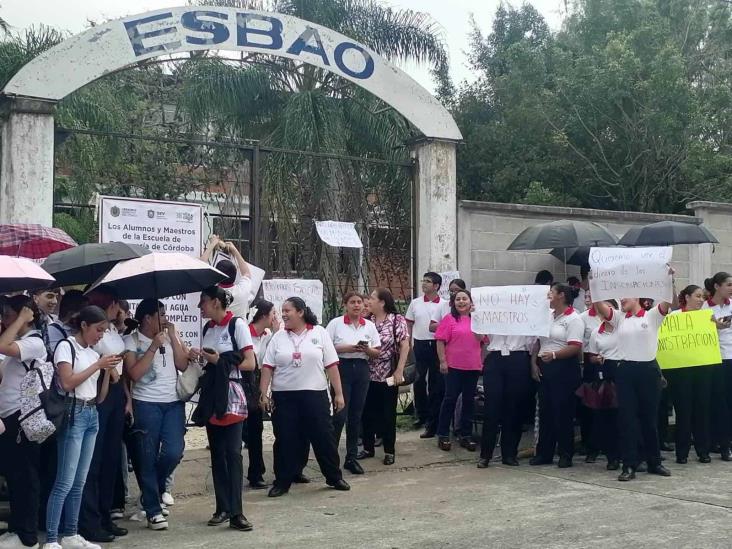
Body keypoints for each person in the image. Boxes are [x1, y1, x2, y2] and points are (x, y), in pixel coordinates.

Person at [44, 306, 121, 549]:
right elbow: (67, 382)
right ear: (84, 325)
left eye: (105, 331)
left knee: (80, 481)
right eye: (98, 330)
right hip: (73, 412)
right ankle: (51, 538)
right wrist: (98, 366)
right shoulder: (67, 347)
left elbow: (99, 397)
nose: (100, 335)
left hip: (91, 413)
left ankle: (71, 533)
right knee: (64, 481)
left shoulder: (91, 352)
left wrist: (107, 372)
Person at [260, 297, 350, 498]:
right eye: (281, 310)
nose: (283, 314)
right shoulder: (278, 337)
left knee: (323, 436)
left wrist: (339, 393)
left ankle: (333, 476)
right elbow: (267, 367)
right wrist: (263, 393)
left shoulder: (320, 333)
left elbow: (332, 365)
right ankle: (282, 481)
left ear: (300, 312)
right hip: (284, 396)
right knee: (285, 438)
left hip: (314, 394)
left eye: (287, 310)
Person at [594, 283, 675, 481]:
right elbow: (600, 307)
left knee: (649, 419)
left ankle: (654, 461)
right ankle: (629, 464)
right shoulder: (620, 318)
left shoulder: (652, 315)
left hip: (648, 370)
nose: (622, 300)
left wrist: (670, 279)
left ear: (637, 297)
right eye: (620, 297)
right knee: (627, 419)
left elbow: (669, 300)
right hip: (626, 370)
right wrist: (595, 284)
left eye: (625, 296)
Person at [191, 286, 255, 532]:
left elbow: (250, 363)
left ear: (217, 302)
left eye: (203, 302)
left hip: (232, 395)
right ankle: (222, 507)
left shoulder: (236, 325)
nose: (201, 307)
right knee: (217, 454)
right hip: (212, 396)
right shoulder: (208, 328)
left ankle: (237, 511)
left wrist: (221, 360)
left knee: (233, 454)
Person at [123, 300, 189, 531]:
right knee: (146, 457)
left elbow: (181, 365)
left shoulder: (169, 336)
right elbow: (134, 374)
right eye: (161, 314)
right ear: (147, 318)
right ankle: (153, 509)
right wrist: (152, 347)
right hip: (146, 404)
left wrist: (173, 336)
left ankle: (153, 491)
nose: (165, 318)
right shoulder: (131, 341)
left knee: (174, 451)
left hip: (172, 403)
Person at [79, 289, 127, 544]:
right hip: (100, 389)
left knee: (111, 458)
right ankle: (91, 519)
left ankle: (106, 514)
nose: (117, 308)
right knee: (94, 462)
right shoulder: (97, 334)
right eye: (114, 304)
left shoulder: (112, 330)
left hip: (116, 391)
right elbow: (102, 355)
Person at [0, 297, 47, 549]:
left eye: (8, 315)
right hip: (9, 417)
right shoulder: (18, 343)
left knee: (26, 476)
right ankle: (16, 529)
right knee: (14, 475)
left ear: (25, 315)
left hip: (24, 417)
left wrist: (20, 318)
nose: (4, 320)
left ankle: (27, 537)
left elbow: (1, 345)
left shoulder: (34, 342)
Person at [326, 292, 381, 474]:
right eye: (352, 302)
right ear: (345, 305)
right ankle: (330, 457)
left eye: (360, 303)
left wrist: (367, 349)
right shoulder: (336, 324)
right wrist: (348, 348)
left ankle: (351, 457)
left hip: (362, 368)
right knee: (340, 414)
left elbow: (377, 352)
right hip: (342, 368)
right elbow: (327, 348)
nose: (357, 306)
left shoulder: (369, 326)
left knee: (356, 415)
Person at [530, 283, 583, 468]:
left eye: (551, 293)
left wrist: (554, 355)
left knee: (563, 412)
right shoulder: (548, 316)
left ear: (561, 295)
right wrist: (533, 364)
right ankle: (544, 452)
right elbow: (538, 342)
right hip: (545, 365)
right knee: (546, 412)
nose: (548, 296)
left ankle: (565, 453)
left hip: (564, 367)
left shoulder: (574, 318)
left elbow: (575, 346)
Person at [359, 288, 409, 465]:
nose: (368, 302)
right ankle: (367, 447)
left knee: (388, 414)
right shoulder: (366, 321)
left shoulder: (396, 320)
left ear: (382, 302)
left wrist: (399, 370)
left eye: (372, 298)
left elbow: (404, 345)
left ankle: (389, 450)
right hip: (367, 374)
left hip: (388, 373)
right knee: (367, 413)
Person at [434, 290, 485, 452]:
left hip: (472, 367)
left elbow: (481, 340)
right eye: (458, 299)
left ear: (471, 302)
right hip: (453, 366)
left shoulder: (478, 320)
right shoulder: (449, 319)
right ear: (453, 303)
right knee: (450, 399)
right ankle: (443, 434)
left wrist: (476, 318)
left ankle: (466, 435)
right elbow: (440, 341)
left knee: (469, 401)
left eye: (465, 299)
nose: (461, 302)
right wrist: (442, 361)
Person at [667, 286, 712, 464]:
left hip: (702, 369)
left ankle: (703, 450)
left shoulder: (707, 316)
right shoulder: (674, 316)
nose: (701, 300)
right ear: (687, 297)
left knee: (702, 410)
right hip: (681, 371)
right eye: (697, 296)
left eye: (702, 297)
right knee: (683, 412)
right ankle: (682, 452)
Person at [478, 332, 535, 468]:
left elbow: (532, 341)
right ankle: (485, 455)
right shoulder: (492, 310)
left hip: (518, 356)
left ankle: (509, 454)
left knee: (514, 407)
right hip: (495, 355)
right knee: (491, 408)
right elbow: (479, 334)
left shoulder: (526, 311)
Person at [405, 272, 450, 437]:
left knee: (436, 383)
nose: (424, 284)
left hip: (437, 345)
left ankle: (433, 418)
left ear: (437, 286)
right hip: (420, 344)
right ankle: (421, 414)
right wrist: (408, 343)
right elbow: (409, 324)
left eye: (428, 281)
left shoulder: (445, 305)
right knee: (418, 380)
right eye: (423, 280)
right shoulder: (415, 303)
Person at [244, 300, 279, 489]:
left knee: (256, 429)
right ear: (264, 315)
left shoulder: (267, 336)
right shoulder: (245, 333)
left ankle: (256, 473)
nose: (276, 317)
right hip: (244, 382)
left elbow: (269, 360)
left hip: (258, 383)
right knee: (245, 430)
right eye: (273, 313)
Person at [583, 300, 621, 470]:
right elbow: (591, 355)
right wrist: (596, 359)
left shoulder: (624, 329)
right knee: (607, 418)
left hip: (622, 374)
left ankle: (630, 454)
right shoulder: (596, 332)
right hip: (604, 376)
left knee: (626, 417)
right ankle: (611, 456)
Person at [703, 272, 732, 461]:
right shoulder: (704, 308)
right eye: (728, 285)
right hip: (716, 359)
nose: (731, 288)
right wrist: (713, 326)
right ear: (717, 286)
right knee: (720, 403)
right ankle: (722, 444)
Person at [202, 235, 253, 320]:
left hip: (214, 332)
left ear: (216, 275)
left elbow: (200, 264)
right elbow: (246, 273)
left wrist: (213, 244)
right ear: (235, 274)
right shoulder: (242, 291)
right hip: (237, 332)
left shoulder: (210, 293)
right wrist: (234, 250)